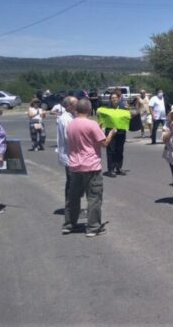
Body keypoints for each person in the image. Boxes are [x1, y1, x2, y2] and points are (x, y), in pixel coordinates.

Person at [63, 99, 117, 236]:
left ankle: (69, 224)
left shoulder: (71, 124)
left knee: (73, 197)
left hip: (75, 166)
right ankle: (93, 227)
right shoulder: (91, 124)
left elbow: (81, 138)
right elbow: (104, 143)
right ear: (89, 109)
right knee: (94, 197)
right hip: (91, 166)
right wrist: (111, 134)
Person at [56, 96, 78, 201]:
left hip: (72, 154)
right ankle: (71, 208)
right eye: (75, 103)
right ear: (69, 106)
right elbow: (68, 137)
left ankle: (72, 207)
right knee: (72, 183)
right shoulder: (66, 119)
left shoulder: (72, 116)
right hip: (69, 155)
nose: (78, 105)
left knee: (73, 182)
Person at [102, 92, 127, 177]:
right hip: (110, 132)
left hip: (121, 132)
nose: (114, 99)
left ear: (119, 99)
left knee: (120, 150)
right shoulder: (107, 109)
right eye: (112, 98)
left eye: (115, 97)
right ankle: (111, 169)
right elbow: (102, 120)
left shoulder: (123, 108)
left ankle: (118, 168)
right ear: (110, 99)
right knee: (111, 151)